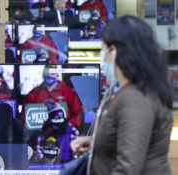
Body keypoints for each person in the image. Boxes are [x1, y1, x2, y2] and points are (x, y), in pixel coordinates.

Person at [70, 15, 173, 175]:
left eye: (103, 50)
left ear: (114, 51)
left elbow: (127, 168)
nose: (102, 57)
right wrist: (95, 143)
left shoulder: (136, 100)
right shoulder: (128, 91)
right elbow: (129, 139)